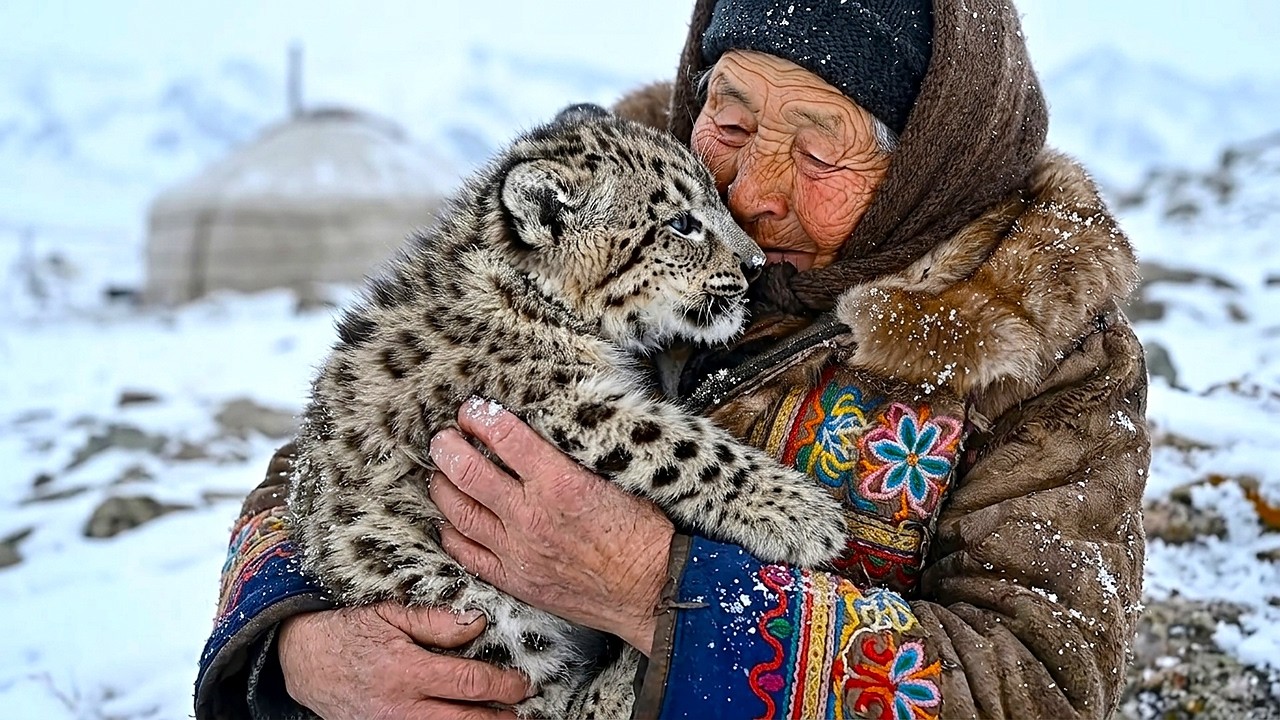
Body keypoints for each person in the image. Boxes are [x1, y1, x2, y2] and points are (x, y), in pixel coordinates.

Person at [195, 0, 1151, 718]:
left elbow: (1042, 685)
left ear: (931, 164)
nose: (748, 196)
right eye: (729, 126)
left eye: (819, 156)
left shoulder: (1048, 353)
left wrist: (665, 591)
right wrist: (297, 647)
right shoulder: (621, 196)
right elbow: (341, 443)